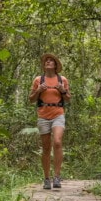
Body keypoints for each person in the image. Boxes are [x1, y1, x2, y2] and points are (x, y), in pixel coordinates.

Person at [28, 53, 70, 189]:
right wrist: (38, 91)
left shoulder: (62, 79)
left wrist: (63, 90)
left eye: (51, 61)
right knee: (46, 147)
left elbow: (68, 99)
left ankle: (57, 177)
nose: (48, 62)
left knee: (57, 142)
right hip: (43, 115)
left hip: (58, 113)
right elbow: (31, 99)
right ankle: (46, 178)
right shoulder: (38, 80)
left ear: (56, 65)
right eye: (47, 61)